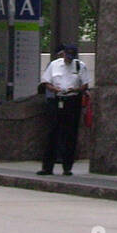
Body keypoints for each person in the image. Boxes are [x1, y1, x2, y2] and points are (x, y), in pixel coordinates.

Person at [38, 43, 90, 176]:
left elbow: (85, 85)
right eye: (67, 56)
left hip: (72, 100)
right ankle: (47, 167)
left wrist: (76, 89)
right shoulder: (54, 65)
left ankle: (67, 167)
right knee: (52, 133)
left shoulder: (79, 66)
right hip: (57, 100)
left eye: (72, 56)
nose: (69, 59)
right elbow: (46, 82)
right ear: (64, 54)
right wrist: (55, 89)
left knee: (70, 134)